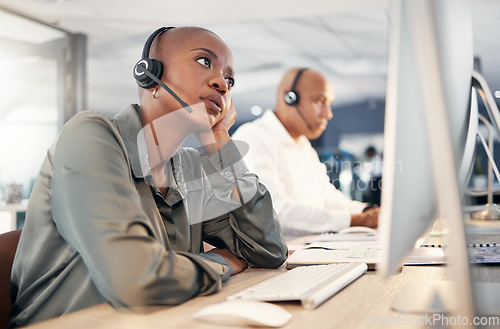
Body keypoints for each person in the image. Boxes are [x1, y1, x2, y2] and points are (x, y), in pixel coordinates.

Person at [8, 26, 287, 328]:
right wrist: (221, 262)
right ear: (149, 75)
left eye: (230, 79)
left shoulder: (189, 169)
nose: (222, 83)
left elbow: (268, 250)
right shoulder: (89, 137)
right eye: (205, 62)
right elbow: (137, 280)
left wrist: (220, 140)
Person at [232, 67, 378, 237]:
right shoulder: (253, 138)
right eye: (320, 101)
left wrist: (367, 211)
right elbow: (274, 212)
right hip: (276, 260)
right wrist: (356, 220)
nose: (328, 114)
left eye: (329, 104)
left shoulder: (303, 146)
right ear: (289, 98)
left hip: (309, 251)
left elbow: (327, 197)